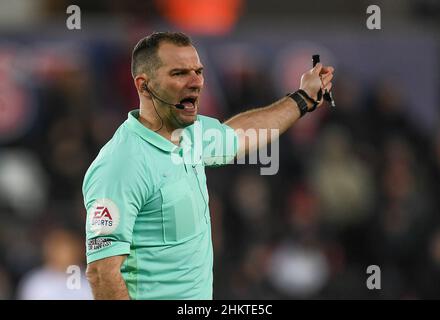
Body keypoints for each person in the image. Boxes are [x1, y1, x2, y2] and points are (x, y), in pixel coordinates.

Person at [83, 31, 334, 300]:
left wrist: (303, 98)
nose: (196, 83)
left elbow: (242, 133)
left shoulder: (190, 134)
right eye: (179, 73)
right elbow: (102, 273)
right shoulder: (122, 165)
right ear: (144, 86)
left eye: (198, 71)